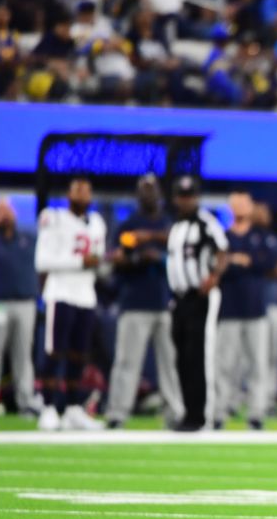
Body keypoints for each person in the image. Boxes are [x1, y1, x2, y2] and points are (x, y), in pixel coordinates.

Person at [104, 174, 184, 429]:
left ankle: (175, 411)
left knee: (170, 362)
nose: (148, 195)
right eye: (144, 190)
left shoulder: (168, 224)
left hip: (164, 303)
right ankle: (118, 412)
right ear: (138, 195)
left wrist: (150, 245)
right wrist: (138, 258)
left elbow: (177, 248)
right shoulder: (128, 225)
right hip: (135, 301)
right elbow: (116, 257)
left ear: (159, 194)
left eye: (152, 190)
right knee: (127, 362)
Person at [35, 176, 107, 431]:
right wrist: (79, 263)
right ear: (68, 193)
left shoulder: (97, 222)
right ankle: (49, 406)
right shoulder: (53, 218)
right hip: (60, 292)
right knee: (55, 352)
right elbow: (41, 261)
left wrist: (99, 263)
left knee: (79, 355)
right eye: (77, 189)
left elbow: (98, 258)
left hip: (86, 295)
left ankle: (74, 409)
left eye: (87, 190)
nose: (82, 194)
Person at [166, 175, 229, 432]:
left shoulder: (206, 222)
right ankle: (189, 413)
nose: (186, 200)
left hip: (200, 297)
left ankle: (205, 416)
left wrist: (214, 276)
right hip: (179, 299)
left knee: (200, 356)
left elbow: (223, 251)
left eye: (190, 196)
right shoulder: (176, 226)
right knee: (182, 358)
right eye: (182, 196)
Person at [215, 191, 277, 430]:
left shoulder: (261, 235)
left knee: (258, 364)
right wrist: (240, 262)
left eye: (245, 203)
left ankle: (256, 413)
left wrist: (245, 261)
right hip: (229, 309)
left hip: (256, 310)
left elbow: (271, 262)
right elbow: (218, 266)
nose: (241, 207)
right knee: (225, 365)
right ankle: (220, 411)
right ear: (230, 206)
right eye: (237, 203)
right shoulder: (222, 237)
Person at [0, 198, 41, 417]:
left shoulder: (28, 239)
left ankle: (26, 401)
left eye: (7, 210)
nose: (3, 215)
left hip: (25, 303)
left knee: (23, 354)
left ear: (15, 214)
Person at [253, 202, 277, 417]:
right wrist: (265, 268)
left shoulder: (274, 240)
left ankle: (269, 399)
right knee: (253, 357)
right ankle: (247, 399)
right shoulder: (248, 236)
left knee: (273, 356)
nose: (264, 214)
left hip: (273, 304)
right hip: (254, 305)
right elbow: (256, 266)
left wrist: (263, 267)